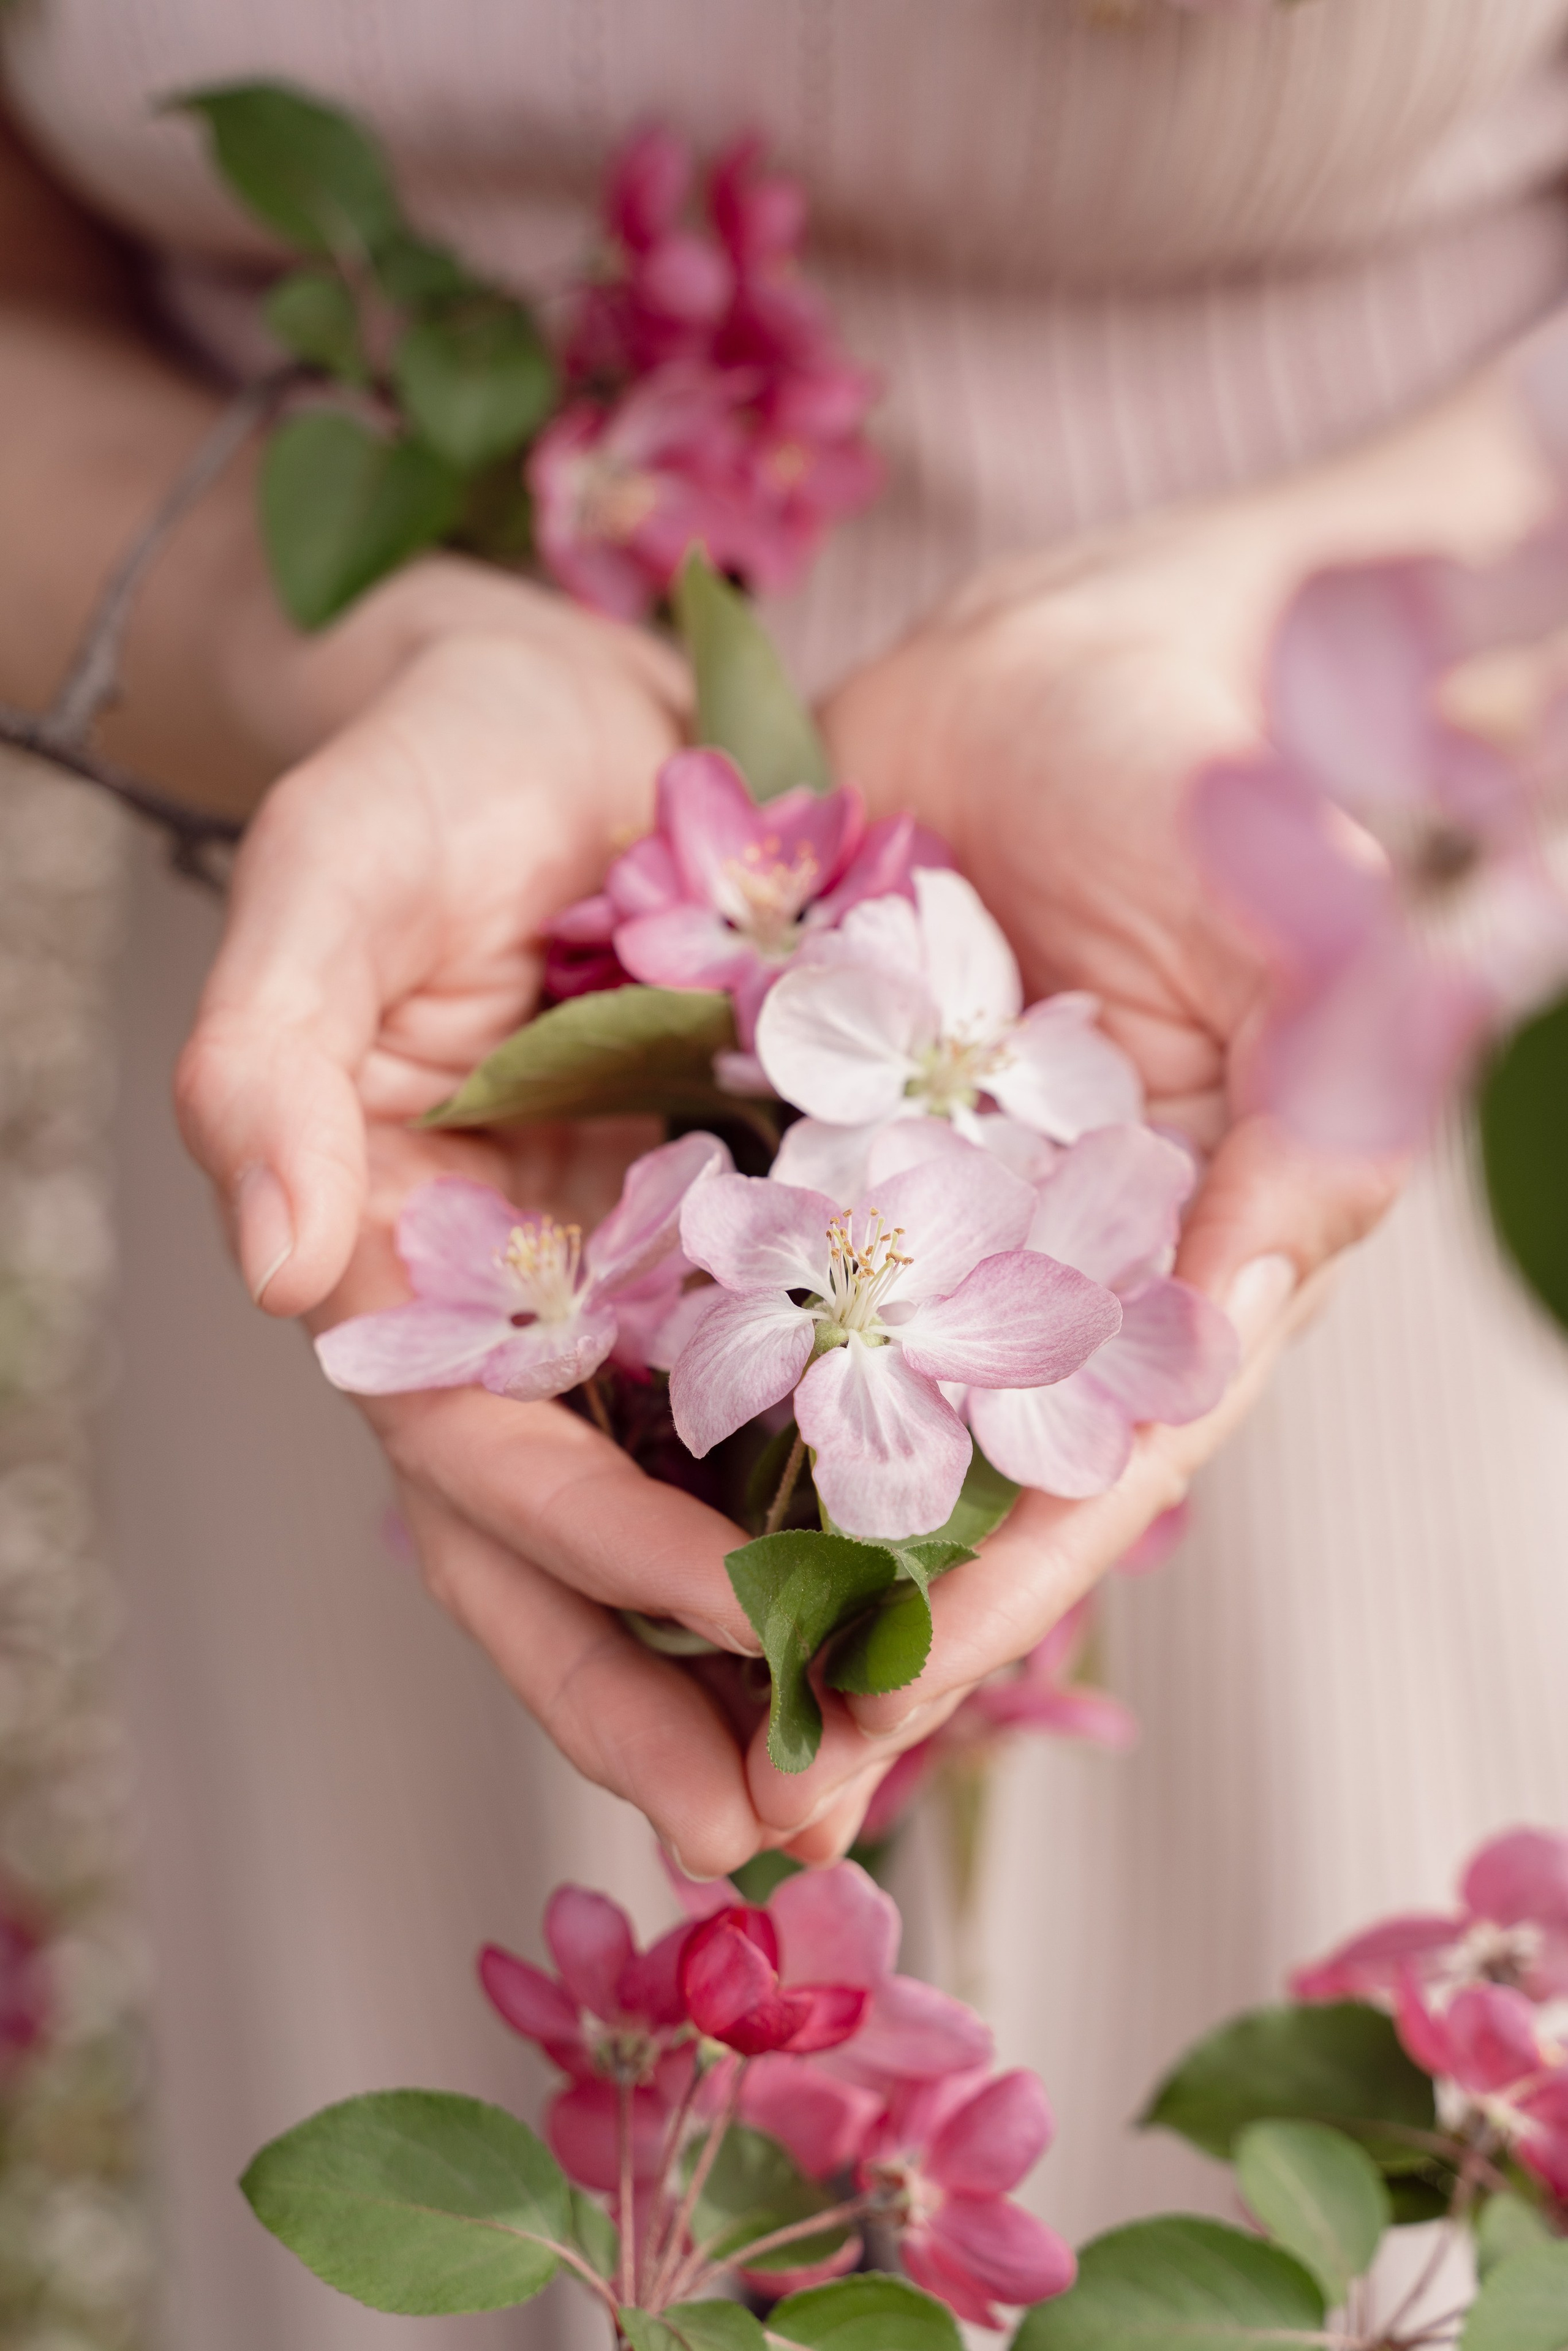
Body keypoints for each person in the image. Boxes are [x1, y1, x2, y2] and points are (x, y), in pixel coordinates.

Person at [4, 4, 1568, 2344]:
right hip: (429, 1011)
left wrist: (1268, 630)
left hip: (1273, 960)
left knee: (1324, 2200)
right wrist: (311, 635)